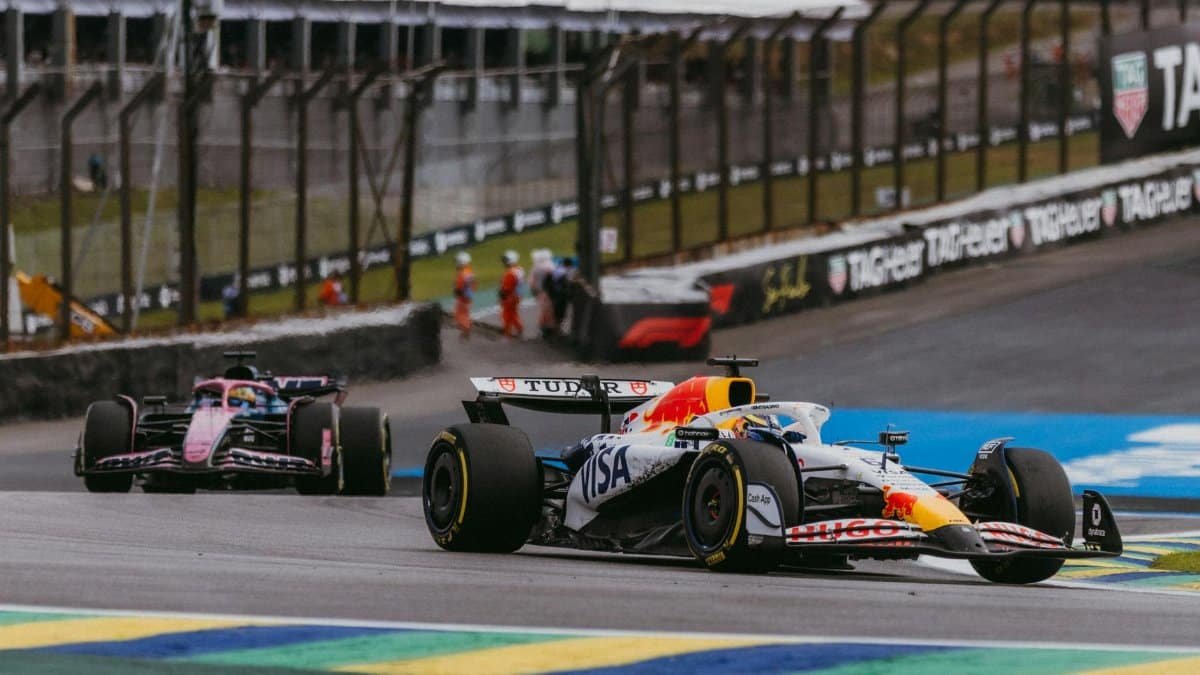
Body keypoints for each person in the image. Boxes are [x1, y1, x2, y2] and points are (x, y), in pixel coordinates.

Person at [529, 249, 556, 339]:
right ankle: (549, 327)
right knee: (549, 310)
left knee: (544, 310)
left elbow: (531, 282)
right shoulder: (551, 266)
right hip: (549, 291)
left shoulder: (536, 268)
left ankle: (544, 328)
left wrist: (534, 291)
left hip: (541, 291)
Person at [498, 250, 525, 339]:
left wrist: (501, 296)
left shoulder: (510, 273)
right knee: (513, 313)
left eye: (505, 260)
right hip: (518, 296)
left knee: (506, 315)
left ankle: (507, 333)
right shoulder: (519, 269)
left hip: (510, 298)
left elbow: (506, 289)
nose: (504, 262)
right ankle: (520, 328)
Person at [453, 251, 475, 340]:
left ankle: (466, 329)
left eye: (458, 261)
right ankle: (467, 326)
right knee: (465, 313)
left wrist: (457, 291)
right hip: (469, 296)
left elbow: (459, 288)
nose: (456, 263)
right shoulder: (469, 271)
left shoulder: (462, 274)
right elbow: (474, 284)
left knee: (459, 315)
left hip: (463, 297)